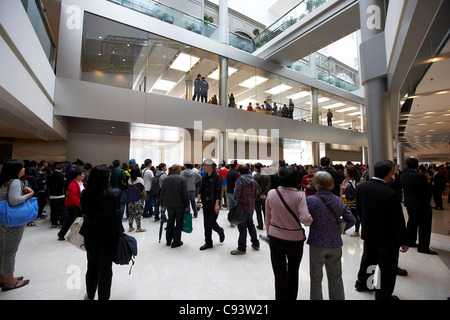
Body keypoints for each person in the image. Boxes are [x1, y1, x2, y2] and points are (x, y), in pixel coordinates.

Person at [355, 160, 409, 300]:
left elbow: (360, 210)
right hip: (387, 238)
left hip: (369, 233)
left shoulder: (362, 187)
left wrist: (364, 226)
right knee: (387, 267)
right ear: (390, 172)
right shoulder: (390, 193)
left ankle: (365, 283)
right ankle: (383, 295)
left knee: (369, 260)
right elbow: (397, 220)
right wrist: (404, 240)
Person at [306, 171, 356, 300]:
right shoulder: (338, 200)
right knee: (336, 276)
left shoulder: (311, 200)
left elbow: (305, 218)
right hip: (335, 243)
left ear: (316, 183)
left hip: (317, 242)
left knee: (316, 277)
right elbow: (351, 219)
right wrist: (339, 229)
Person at [265, 167, 313, 300]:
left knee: (279, 273)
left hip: (275, 238)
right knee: (293, 271)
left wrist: (269, 233)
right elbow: (306, 220)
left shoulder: (272, 193)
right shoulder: (299, 195)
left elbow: (267, 217)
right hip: (295, 239)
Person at [79, 165, 124, 300]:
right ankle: (103, 297)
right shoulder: (114, 193)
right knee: (105, 268)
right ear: (107, 178)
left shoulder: (86, 193)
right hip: (109, 235)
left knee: (92, 265)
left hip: (91, 233)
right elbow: (117, 215)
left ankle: (90, 294)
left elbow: (84, 212)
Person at [0, 159, 34, 291]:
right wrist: (30, 193)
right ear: (15, 170)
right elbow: (14, 201)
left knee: (2, 250)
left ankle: (2, 277)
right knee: (9, 252)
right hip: (12, 222)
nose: (24, 169)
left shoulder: (3, 181)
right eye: (22, 167)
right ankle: (10, 281)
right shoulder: (15, 182)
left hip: (3, 218)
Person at [400, 158, 436, 254]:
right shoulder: (420, 177)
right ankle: (423, 247)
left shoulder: (403, 176)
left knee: (412, 222)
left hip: (409, 203)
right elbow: (427, 191)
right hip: (421, 203)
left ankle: (410, 241)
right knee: (424, 225)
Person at [196, 158, 225, 250]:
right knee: (206, 223)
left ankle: (220, 231)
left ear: (211, 166)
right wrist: (198, 201)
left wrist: (217, 204)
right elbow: (201, 189)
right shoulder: (204, 176)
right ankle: (208, 242)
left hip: (214, 203)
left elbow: (218, 191)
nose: (204, 167)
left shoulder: (217, 176)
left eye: (206, 165)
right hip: (206, 202)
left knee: (211, 222)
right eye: (203, 165)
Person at [231, 165, 259, 255]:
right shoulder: (254, 181)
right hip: (251, 206)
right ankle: (255, 244)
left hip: (242, 207)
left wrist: (235, 189)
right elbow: (255, 194)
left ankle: (242, 248)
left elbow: (237, 193)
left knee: (242, 228)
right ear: (248, 171)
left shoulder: (240, 180)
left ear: (240, 172)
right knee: (251, 225)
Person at [160, 164, 189, 248]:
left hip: (169, 205)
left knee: (170, 222)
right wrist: (187, 205)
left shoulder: (166, 179)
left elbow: (162, 192)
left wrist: (162, 203)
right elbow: (185, 194)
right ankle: (176, 242)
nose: (181, 169)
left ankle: (168, 240)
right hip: (180, 205)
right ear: (177, 170)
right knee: (179, 223)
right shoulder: (182, 179)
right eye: (180, 168)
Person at [58, 169, 84, 240]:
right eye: (82, 174)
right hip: (73, 205)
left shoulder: (80, 182)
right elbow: (74, 197)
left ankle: (77, 234)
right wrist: (80, 205)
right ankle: (61, 234)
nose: (83, 175)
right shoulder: (72, 185)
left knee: (79, 220)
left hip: (78, 205)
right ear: (78, 176)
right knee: (70, 220)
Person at [340, 166, 360, 237]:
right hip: (345, 201)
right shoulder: (345, 180)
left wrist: (345, 188)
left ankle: (356, 231)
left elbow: (354, 190)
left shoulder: (352, 180)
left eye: (345, 171)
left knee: (354, 215)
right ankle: (343, 229)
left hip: (351, 202)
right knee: (345, 215)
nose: (344, 173)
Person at [47, 163, 67, 228]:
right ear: (61, 169)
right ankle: (62, 223)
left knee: (53, 209)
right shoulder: (61, 175)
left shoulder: (50, 174)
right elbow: (63, 184)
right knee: (62, 209)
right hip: (60, 194)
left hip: (52, 195)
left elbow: (47, 185)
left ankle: (54, 223)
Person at [126, 167, 146, 232]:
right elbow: (143, 191)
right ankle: (138, 228)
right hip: (138, 199)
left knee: (131, 214)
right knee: (138, 214)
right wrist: (144, 198)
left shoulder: (129, 180)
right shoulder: (140, 179)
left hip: (130, 200)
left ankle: (130, 227)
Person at [253, 163, 270, 230]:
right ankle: (267, 224)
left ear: (257, 168)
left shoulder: (256, 176)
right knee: (266, 211)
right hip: (265, 196)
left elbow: (257, 186)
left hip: (257, 196)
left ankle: (260, 225)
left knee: (258, 211)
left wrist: (260, 194)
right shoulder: (267, 175)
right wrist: (265, 193)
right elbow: (268, 185)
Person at [226, 160, 240, 227]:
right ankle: (236, 220)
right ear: (236, 165)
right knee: (237, 207)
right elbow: (236, 183)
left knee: (231, 207)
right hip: (234, 192)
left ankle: (231, 220)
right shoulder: (235, 173)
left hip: (228, 191)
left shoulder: (228, 172)